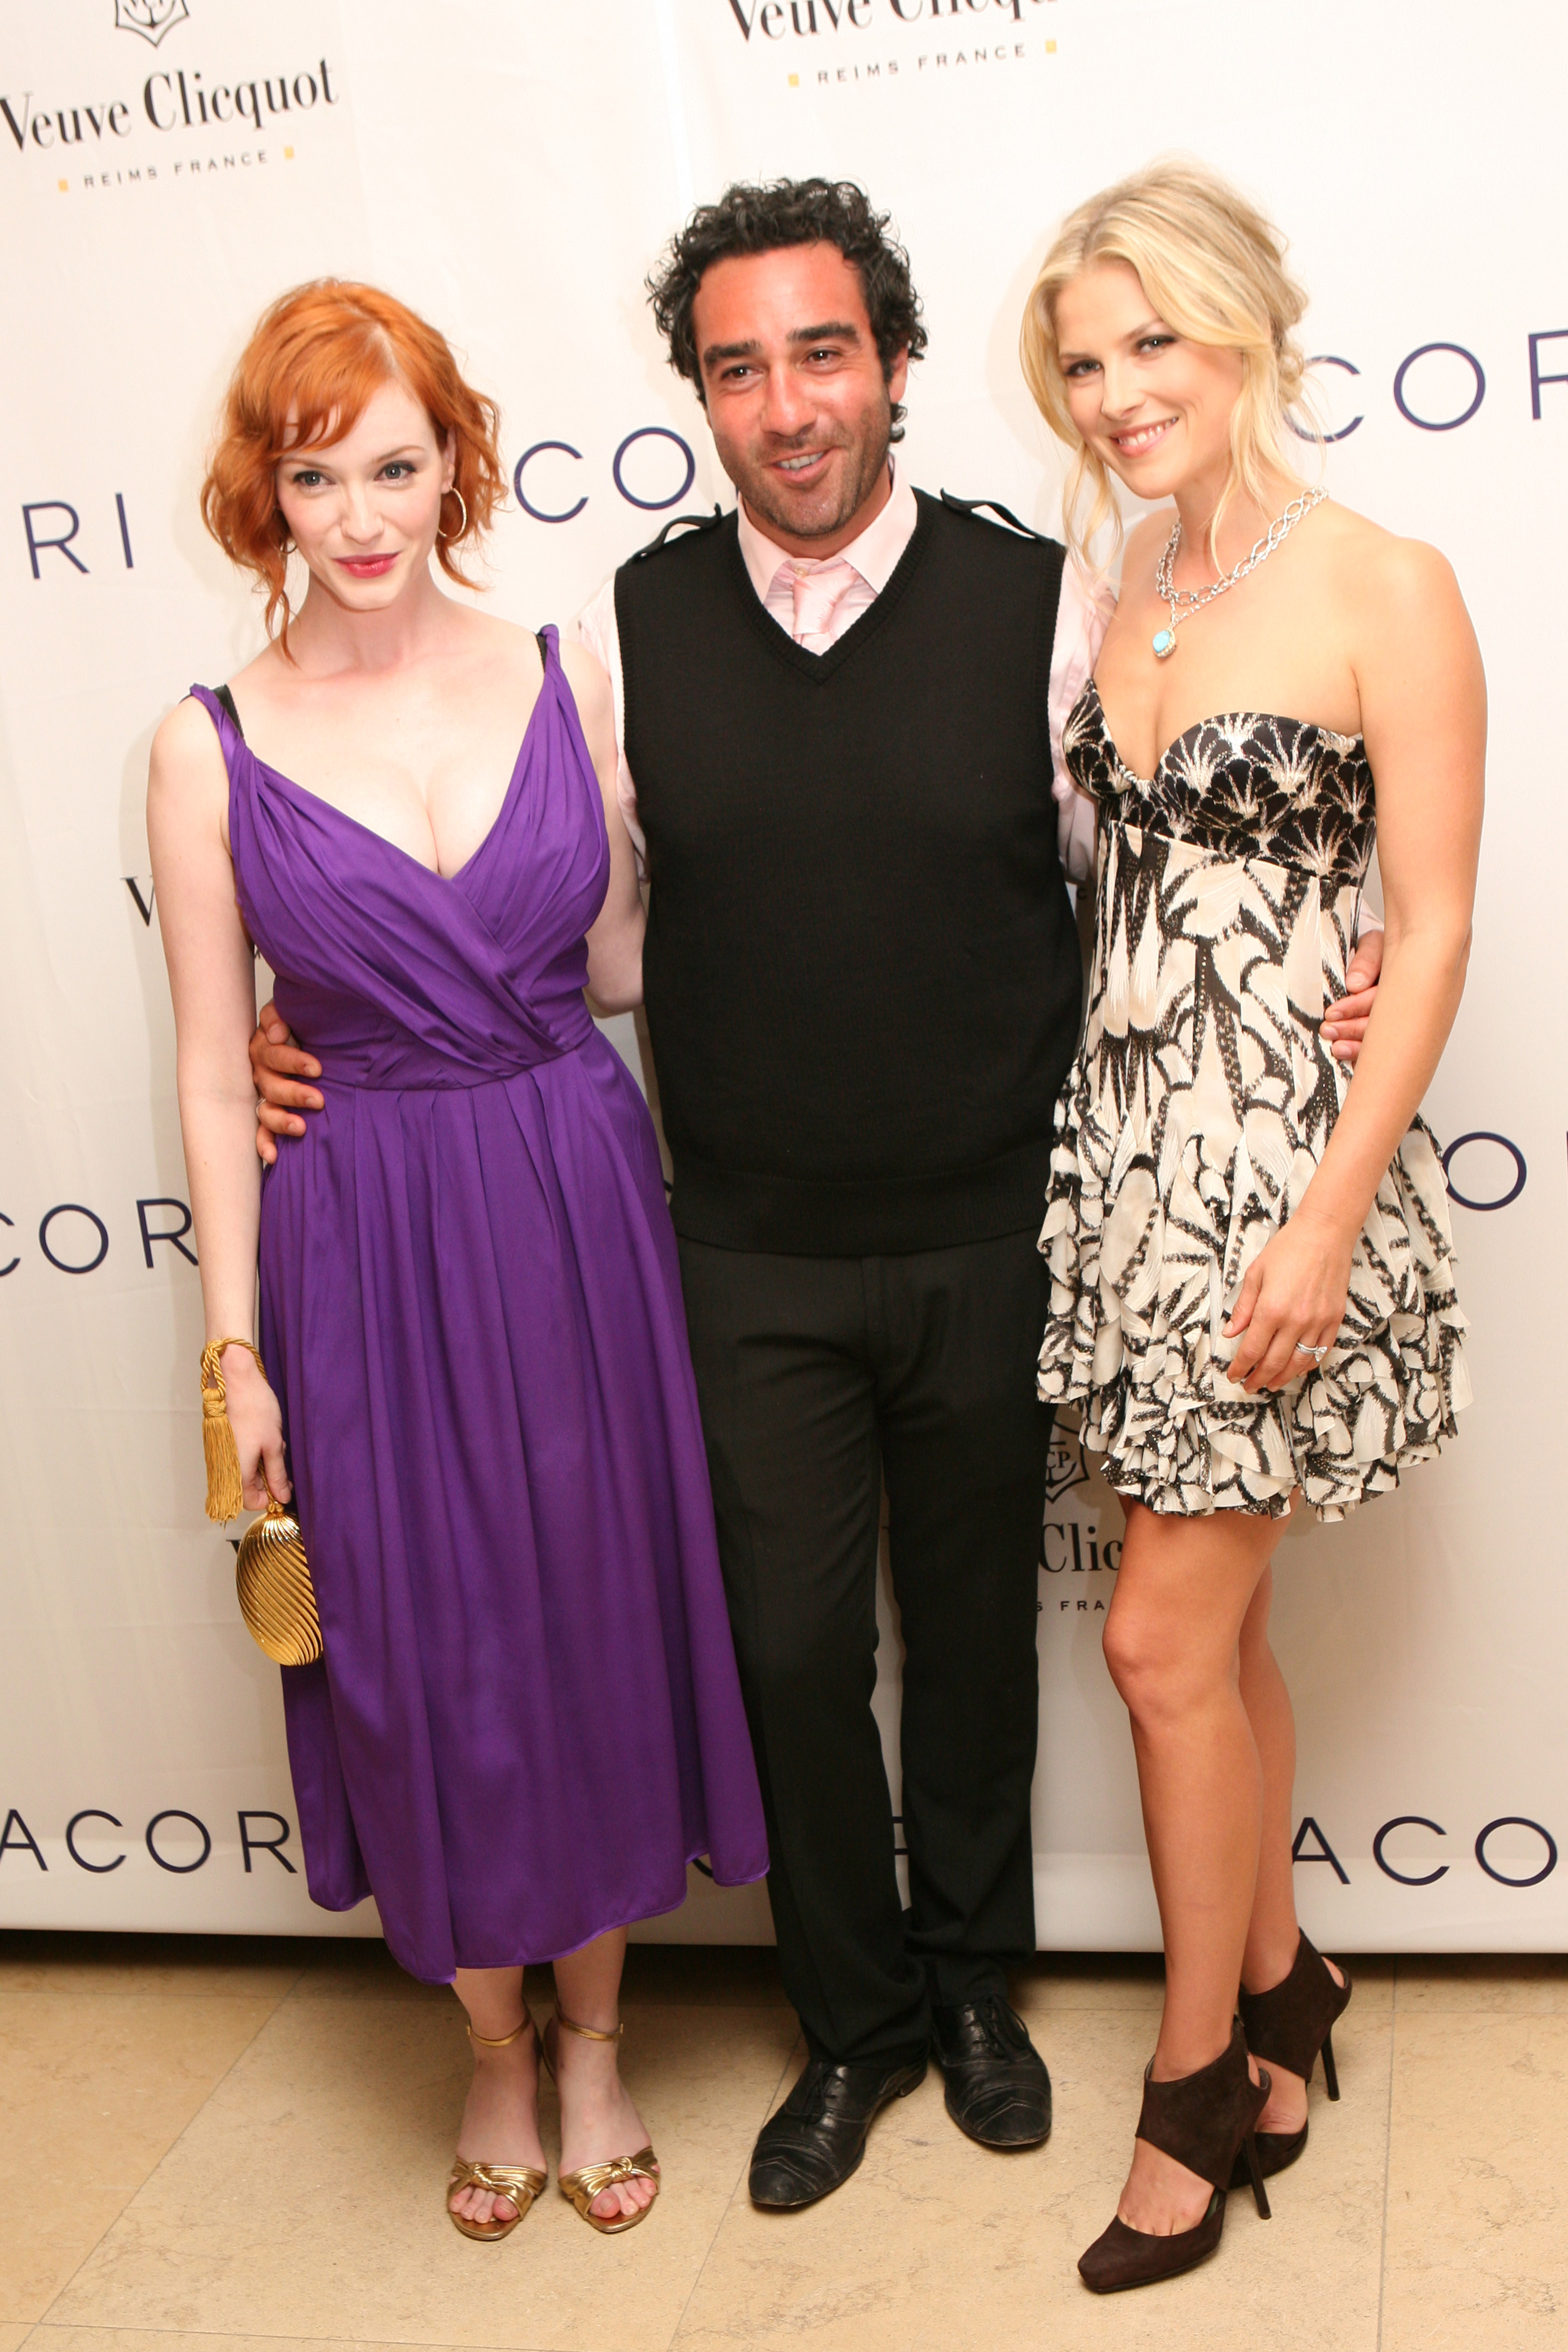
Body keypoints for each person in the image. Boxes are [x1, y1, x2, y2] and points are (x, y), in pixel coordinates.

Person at [249, 184, 1385, 2213]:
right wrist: (316, 1010)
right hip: (738, 1242)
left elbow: (1156, 886)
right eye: (739, 367)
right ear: (700, 393)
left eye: (824, 353)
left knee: (976, 1644)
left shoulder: (1043, 598)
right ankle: (851, 2026)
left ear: (897, 366)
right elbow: (564, 928)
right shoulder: (620, 632)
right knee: (786, 1655)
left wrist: (1348, 960)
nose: (786, 405)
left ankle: (971, 1993)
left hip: (998, 1229)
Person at [147, 279, 766, 2244]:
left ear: (454, 466)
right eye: (314, 477)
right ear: (264, 496)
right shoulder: (206, 745)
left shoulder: (565, 675)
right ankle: (491, 2045)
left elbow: (620, 968)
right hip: (363, 1232)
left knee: (589, 1610)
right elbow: (209, 1066)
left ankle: (597, 2039)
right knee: (426, 1641)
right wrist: (234, 1353)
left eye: (395, 466)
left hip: (573, 1201)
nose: (362, 515)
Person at [1018, 159, 1479, 2292]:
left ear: (1247, 337)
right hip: (1130, 1168)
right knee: (1215, 1642)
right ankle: (1288, 1991)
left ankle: (1196, 2079)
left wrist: (1326, 1218)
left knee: (1151, 1646)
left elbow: (1434, 925)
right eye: (1083, 362)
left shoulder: (1386, 581)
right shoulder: (1122, 579)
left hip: (1284, 1182)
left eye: (1154, 344)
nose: (1118, 392)